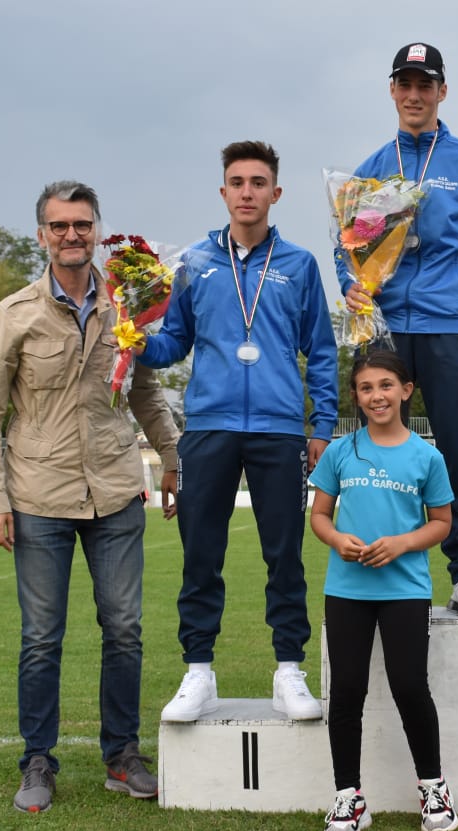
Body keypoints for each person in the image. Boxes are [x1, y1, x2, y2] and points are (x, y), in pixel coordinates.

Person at [0, 179, 181, 813]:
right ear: (42, 235)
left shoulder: (128, 305)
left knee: (125, 630)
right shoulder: (13, 315)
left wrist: (173, 458)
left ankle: (123, 756)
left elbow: (145, 393)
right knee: (41, 637)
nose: (71, 235)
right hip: (37, 496)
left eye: (82, 224)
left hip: (115, 491)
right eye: (59, 225)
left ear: (97, 231)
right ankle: (38, 761)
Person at [137, 141, 338, 723]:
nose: (247, 192)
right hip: (208, 427)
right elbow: (174, 342)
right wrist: (135, 338)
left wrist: (322, 424)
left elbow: (321, 350)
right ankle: (198, 671)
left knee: (285, 556)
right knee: (201, 554)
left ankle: (289, 670)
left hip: (279, 429)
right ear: (223, 192)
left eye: (258, 182)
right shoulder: (194, 263)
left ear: (276, 193)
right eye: (237, 182)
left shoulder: (299, 265)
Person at [337, 42, 458, 617]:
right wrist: (351, 283)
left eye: (425, 84)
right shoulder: (371, 169)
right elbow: (347, 247)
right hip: (384, 327)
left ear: (442, 91)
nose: (415, 95)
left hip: (449, 325)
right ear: (391, 90)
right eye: (405, 84)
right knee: (380, 451)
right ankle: (387, 563)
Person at [309, 350, 458, 831]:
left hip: (405, 589)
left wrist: (401, 544)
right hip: (346, 589)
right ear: (356, 396)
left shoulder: (426, 456)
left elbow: (442, 523)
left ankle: (434, 789)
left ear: (406, 390)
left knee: (410, 687)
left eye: (386, 385)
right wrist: (337, 540)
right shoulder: (340, 451)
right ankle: (348, 797)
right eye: (366, 387)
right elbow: (319, 516)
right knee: (346, 691)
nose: (377, 396)